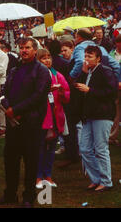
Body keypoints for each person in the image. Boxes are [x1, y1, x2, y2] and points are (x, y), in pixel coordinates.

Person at [0, 37, 51, 208]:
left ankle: (28, 197)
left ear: (35, 50)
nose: (24, 50)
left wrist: (16, 110)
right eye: (21, 47)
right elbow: (5, 90)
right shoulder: (15, 68)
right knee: (10, 160)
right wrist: (8, 107)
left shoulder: (41, 71)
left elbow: (38, 96)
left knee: (31, 161)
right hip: (13, 124)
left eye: (27, 47)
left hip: (31, 124)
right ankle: (10, 194)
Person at [75, 46, 117, 192]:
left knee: (101, 149)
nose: (86, 59)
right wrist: (83, 73)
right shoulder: (88, 72)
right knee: (85, 148)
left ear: (98, 58)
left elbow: (111, 92)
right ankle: (96, 179)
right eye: (85, 56)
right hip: (89, 115)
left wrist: (90, 91)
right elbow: (78, 89)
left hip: (102, 114)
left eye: (90, 56)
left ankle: (106, 181)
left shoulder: (105, 71)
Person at [35, 49, 70, 189]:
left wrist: (61, 92)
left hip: (55, 117)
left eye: (49, 57)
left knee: (50, 148)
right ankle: (38, 176)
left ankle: (48, 175)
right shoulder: (35, 75)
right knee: (40, 148)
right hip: (41, 117)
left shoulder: (57, 75)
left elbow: (67, 95)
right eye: (43, 58)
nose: (47, 60)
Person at [109, 34, 121, 146]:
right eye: (119, 42)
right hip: (115, 87)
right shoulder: (111, 55)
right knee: (116, 112)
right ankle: (112, 137)